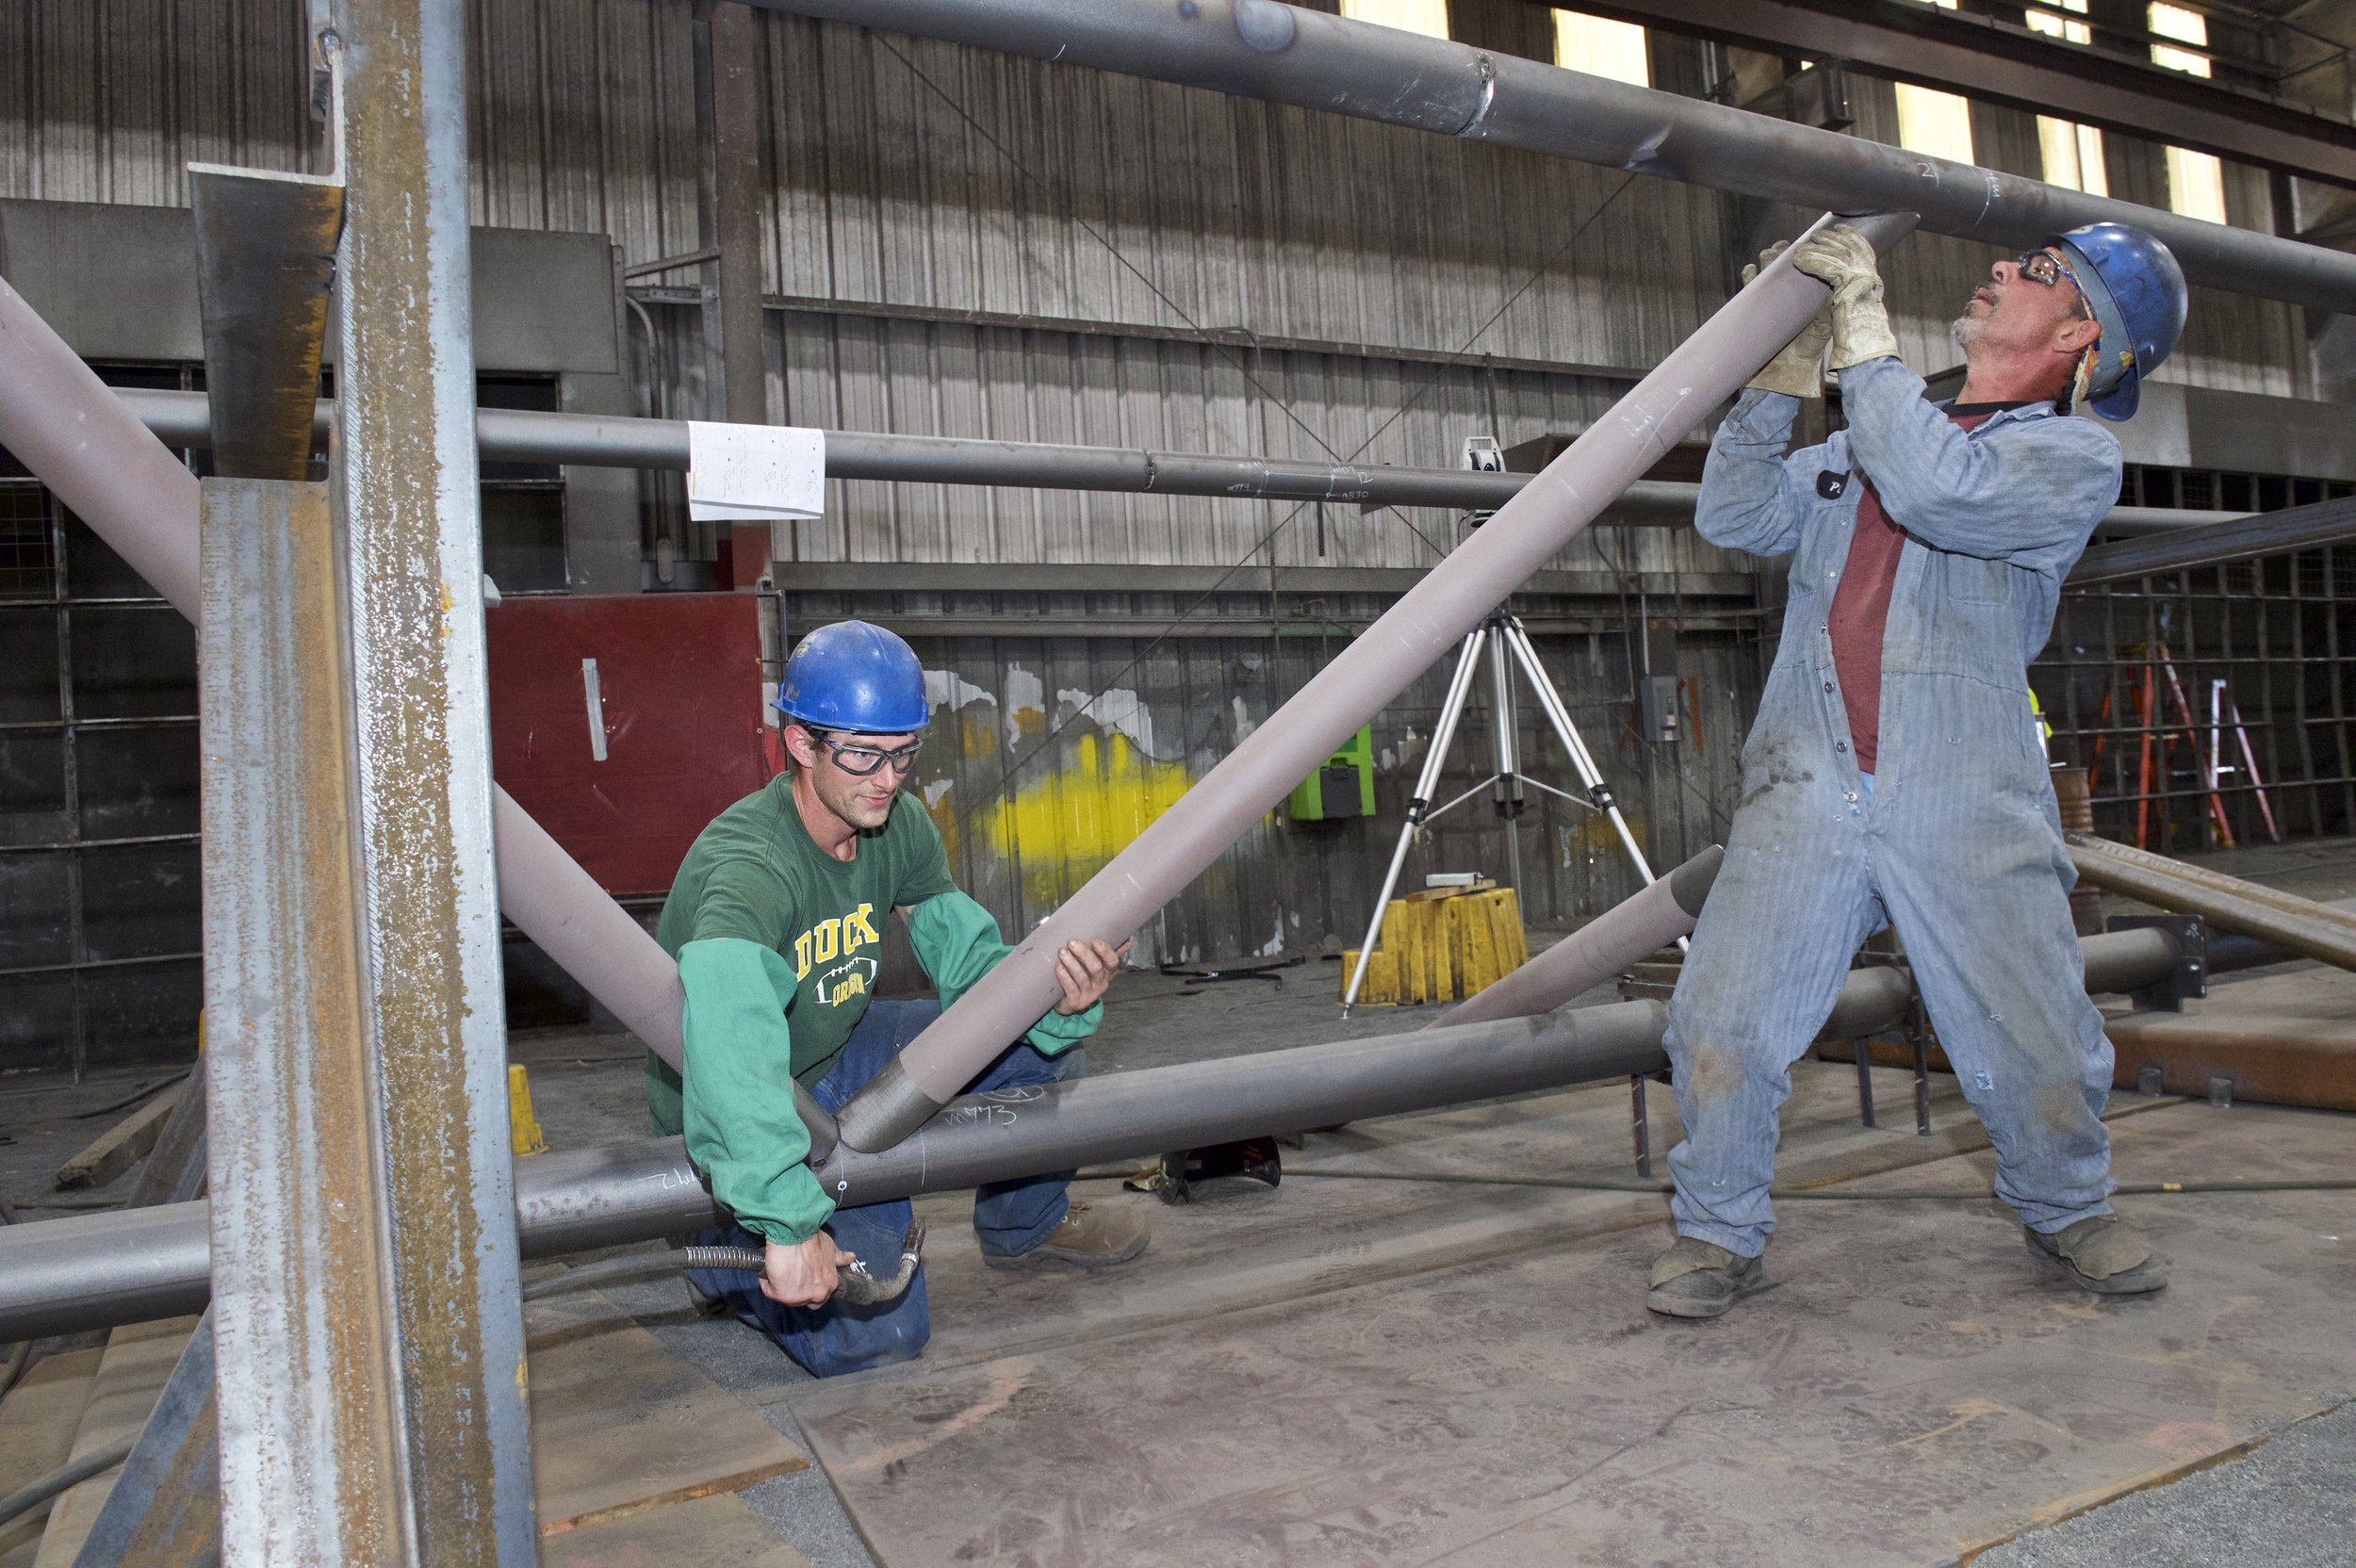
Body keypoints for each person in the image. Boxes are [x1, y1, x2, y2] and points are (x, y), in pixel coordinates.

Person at [1647, 220, 2190, 1318]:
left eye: (2036, 274)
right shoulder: (1872, 440)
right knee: (1721, 1020)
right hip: (1808, 781)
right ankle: (1715, 1229)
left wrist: (1862, 337)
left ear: (2084, 334)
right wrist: (1778, 380)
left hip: (1962, 792)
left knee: (2029, 1023)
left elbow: (1947, 494)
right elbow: (1736, 512)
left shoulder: (2068, 456)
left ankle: (2067, 1205)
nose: (1998, 272)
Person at [650, 619, 1151, 1374]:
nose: (886, 778)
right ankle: (723, 1261)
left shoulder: (896, 824)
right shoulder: (749, 865)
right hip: (748, 1088)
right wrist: (786, 1225)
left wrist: (1055, 999)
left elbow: (970, 964)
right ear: (800, 745)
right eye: (860, 755)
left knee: (1037, 1050)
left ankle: (1025, 1224)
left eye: (902, 753)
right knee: (877, 1335)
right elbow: (729, 1040)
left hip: (838, 1051)